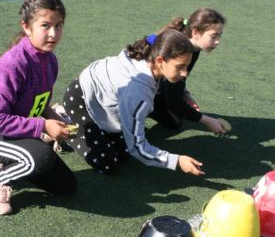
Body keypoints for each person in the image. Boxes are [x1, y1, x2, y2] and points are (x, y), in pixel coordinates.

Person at [0, 0, 77, 215]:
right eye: (45, 25)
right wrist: (43, 126)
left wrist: (54, 118)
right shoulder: (11, 66)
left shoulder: (50, 60)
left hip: (20, 131)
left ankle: (9, 162)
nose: (53, 33)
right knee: (42, 156)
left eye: (59, 26)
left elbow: (41, 102)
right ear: (27, 27)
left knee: (67, 186)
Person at [62, 29, 205, 176]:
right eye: (180, 67)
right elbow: (137, 147)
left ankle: (97, 129)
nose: (185, 73)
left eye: (186, 66)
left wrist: (185, 94)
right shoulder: (138, 92)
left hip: (103, 100)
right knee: (109, 165)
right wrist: (176, 161)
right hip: (81, 101)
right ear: (160, 61)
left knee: (124, 156)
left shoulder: (151, 56)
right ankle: (64, 123)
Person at [147, 8, 228, 135]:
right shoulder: (179, 50)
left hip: (153, 86)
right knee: (174, 121)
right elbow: (173, 102)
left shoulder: (192, 46)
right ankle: (144, 109)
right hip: (136, 89)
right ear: (195, 32)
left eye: (220, 35)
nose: (218, 41)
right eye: (214, 36)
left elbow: (179, 77)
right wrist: (206, 120)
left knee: (176, 117)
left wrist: (185, 94)